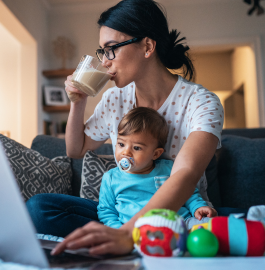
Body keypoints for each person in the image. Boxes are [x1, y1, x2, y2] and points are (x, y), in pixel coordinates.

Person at [26, 0, 248, 256]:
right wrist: (78, 102)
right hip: (123, 216)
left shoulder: (201, 102)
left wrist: (128, 233)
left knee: (243, 225)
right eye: (102, 52)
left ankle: (133, 240)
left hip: (182, 215)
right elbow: (76, 149)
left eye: (111, 49)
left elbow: (185, 174)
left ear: (147, 46)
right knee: (39, 208)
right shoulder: (113, 99)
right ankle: (123, 239)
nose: (105, 61)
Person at [97, 107, 217, 230]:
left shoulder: (169, 168)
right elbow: (106, 212)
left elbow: (188, 194)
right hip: (136, 231)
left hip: (180, 223)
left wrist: (198, 207)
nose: (126, 152)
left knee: (211, 225)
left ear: (155, 154)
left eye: (137, 148)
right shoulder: (111, 178)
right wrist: (118, 231)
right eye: (121, 144)